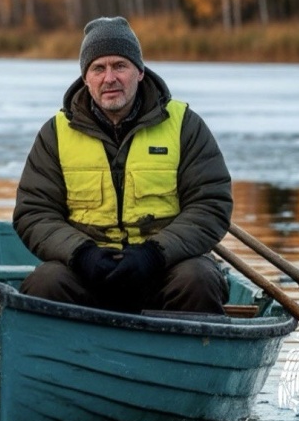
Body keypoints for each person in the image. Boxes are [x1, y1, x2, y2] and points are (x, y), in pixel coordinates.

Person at [13, 16, 232, 314]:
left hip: (164, 269)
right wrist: (82, 254)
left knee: (199, 279)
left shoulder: (184, 126)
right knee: (45, 283)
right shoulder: (55, 133)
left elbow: (210, 204)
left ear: (140, 72)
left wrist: (154, 254)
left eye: (120, 66)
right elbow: (34, 213)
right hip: (87, 273)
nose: (109, 78)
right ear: (85, 78)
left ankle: (190, 357)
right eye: (98, 68)